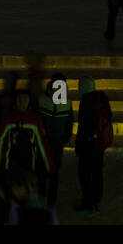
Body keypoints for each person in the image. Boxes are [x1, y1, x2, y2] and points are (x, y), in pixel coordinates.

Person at [0, 88, 54, 196]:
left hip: (28, 165)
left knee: (25, 194)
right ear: (15, 102)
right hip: (11, 165)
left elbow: (43, 144)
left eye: (25, 100)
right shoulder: (8, 119)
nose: (22, 103)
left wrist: (50, 166)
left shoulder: (34, 120)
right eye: (19, 100)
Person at [75, 77, 113, 214]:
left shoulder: (85, 102)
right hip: (99, 143)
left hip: (87, 144)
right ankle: (97, 200)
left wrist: (78, 146)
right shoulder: (102, 98)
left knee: (84, 174)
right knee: (97, 172)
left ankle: (87, 202)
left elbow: (83, 127)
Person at [38, 75, 74, 208]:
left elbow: (69, 122)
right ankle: (46, 200)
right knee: (47, 173)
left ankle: (48, 201)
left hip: (53, 144)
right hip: (48, 143)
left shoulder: (43, 100)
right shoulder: (65, 102)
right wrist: (66, 136)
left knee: (50, 174)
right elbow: (69, 122)